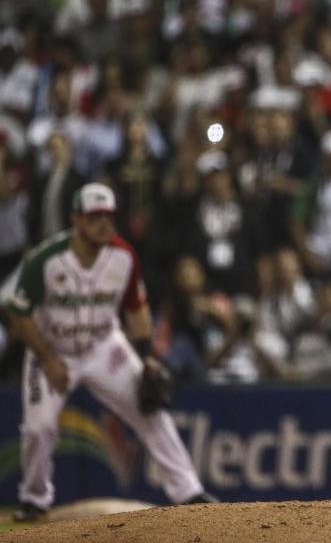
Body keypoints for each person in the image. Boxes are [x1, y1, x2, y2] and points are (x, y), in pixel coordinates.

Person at [4, 183, 216, 522]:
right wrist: (46, 359)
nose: (104, 224)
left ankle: (188, 490)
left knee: (151, 411)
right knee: (39, 428)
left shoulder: (122, 256)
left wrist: (146, 355)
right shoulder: (45, 260)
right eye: (95, 217)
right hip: (53, 348)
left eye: (109, 216)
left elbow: (137, 307)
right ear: (76, 220)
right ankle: (34, 499)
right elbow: (18, 312)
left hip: (104, 347)